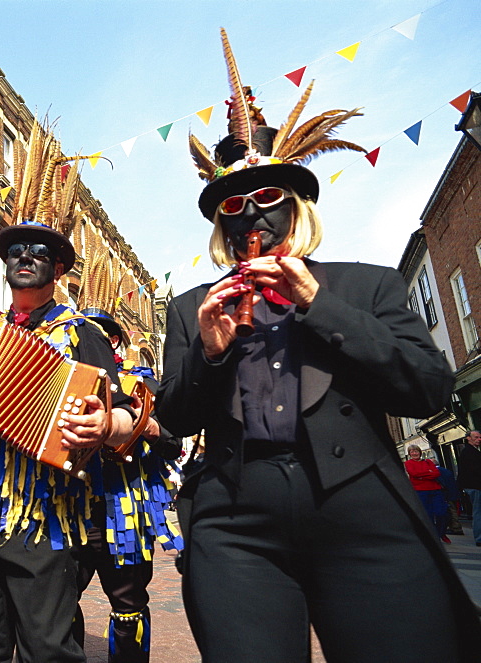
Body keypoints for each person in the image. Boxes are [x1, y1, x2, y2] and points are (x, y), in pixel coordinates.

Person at [156, 30, 481, 661]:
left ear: (298, 204)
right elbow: (174, 417)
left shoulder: (368, 285)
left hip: (362, 516)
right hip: (234, 522)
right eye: (234, 206)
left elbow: (428, 387)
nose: (251, 215)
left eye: (267, 197)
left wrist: (318, 304)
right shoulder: (191, 307)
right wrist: (212, 350)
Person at [0, 121, 135, 661]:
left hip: (43, 509)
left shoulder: (83, 335)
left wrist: (100, 426)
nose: (24, 257)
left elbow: (119, 413)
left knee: (48, 647)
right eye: (15, 250)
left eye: (38, 252)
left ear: (59, 268)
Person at [71, 308, 183, 663]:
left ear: (113, 341)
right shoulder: (69, 381)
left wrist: (147, 427)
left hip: (126, 511)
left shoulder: (143, 384)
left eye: (98, 336)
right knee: (58, 598)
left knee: (128, 603)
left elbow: (174, 443)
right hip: (74, 508)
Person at [403, 445, 445, 540]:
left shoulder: (428, 461)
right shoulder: (408, 463)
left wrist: (422, 476)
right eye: (412, 452)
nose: (414, 453)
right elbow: (414, 474)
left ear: (420, 452)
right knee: (428, 514)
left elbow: (436, 473)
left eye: (416, 451)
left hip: (435, 490)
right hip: (421, 491)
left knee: (441, 513)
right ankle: (433, 535)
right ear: (409, 454)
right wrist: (428, 473)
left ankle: (439, 532)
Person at [458, 430, 481, 547]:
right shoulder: (469, 452)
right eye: (476, 437)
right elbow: (475, 471)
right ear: (468, 438)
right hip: (475, 486)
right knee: (478, 512)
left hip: (472, 486)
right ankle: (479, 538)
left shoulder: (469, 451)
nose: (479, 439)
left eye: (479, 437)